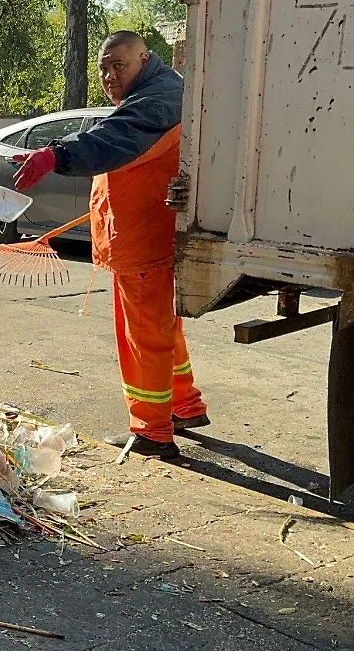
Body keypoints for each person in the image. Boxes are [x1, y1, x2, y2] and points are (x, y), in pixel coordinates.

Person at [12, 30, 209, 459]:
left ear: (145, 58)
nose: (108, 74)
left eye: (118, 64)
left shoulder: (156, 99)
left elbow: (112, 141)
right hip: (148, 238)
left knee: (143, 336)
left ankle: (152, 431)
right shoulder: (157, 94)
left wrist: (55, 155)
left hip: (143, 244)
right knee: (164, 329)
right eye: (103, 67)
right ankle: (185, 405)